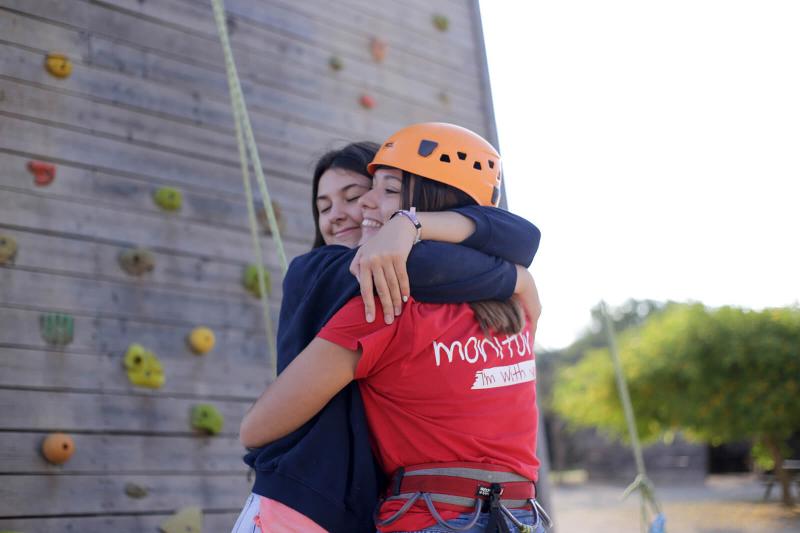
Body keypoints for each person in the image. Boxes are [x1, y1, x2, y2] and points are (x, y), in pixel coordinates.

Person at [239, 123, 549, 532]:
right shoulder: (518, 308)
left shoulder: (384, 301)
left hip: (429, 516)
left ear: (427, 203)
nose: (365, 204)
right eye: (324, 206)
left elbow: (257, 428)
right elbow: (518, 237)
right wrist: (519, 277)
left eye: (386, 191)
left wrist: (406, 226)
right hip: (521, 516)